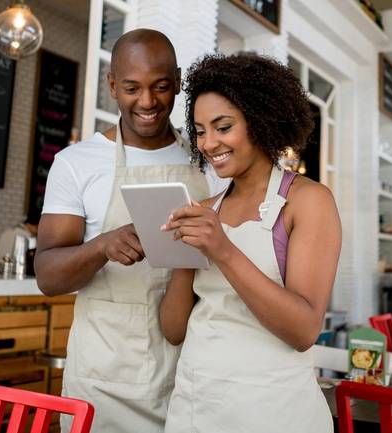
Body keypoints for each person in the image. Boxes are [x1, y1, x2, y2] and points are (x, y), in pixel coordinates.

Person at [34, 29, 226, 433]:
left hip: (190, 372)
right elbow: (48, 277)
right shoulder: (77, 163)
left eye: (160, 86)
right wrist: (101, 246)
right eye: (131, 87)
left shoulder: (208, 160)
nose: (147, 102)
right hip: (103, 380)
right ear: (111, 85)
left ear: (176, 80)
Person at [160, 53, 341, 433]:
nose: (209, 143)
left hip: (274, 412)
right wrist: (180, 252)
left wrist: (221, 249)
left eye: (223, 127)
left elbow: (303, 330)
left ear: (260, 121)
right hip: (197, 407)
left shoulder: (308, 202)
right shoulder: (206, 209)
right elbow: (174, 329)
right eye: (200, 130)